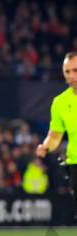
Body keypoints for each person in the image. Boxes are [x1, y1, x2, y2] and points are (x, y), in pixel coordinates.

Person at [36, 52, 77, 217]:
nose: (72, 76)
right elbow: (55, 136)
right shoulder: (59, 103)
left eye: (75, 70)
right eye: (67, 72)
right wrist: (45, 146)